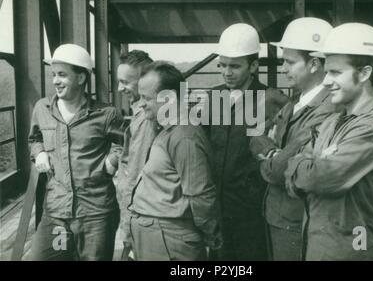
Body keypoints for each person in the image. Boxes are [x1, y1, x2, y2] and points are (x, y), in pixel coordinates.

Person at [284, 23, 373, 261]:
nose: (326, 81)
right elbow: (297, 179)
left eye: (336, 72)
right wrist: (308, 165)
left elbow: (321, 178)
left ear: (364, 73)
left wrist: (304, 163)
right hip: (320, 246)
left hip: (350, 251)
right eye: (326, 72)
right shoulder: (332, 122)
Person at [249, 17, 334, 260]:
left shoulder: (326, 110)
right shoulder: (297, 102)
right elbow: (256, 135)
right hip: (279, 214)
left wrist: (272, 155)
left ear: (314, 64)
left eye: (290, 62)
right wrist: (273, 151)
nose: (284, 67)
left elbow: (278, 171)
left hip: (298, 220)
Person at [29, 44, 124, 260]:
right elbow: (34, 138)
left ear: (81, 78)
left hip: (95, 216)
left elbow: (125, 142)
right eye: (53, 75)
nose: (55, 81)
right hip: (57, 215)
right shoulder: (42, 109)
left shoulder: (106, 114)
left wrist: (112, 161)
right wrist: (39, 151)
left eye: (62, 75)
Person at [209, 23, 288, 260]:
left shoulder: (274, 100)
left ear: (253, 65)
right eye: (222, 65)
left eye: (234, 66)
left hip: (253, 212)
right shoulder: (214, 97)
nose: (227, 72)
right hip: (218, 208)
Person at [128, 61, 222, 261]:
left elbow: (200, 194)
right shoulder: (167, 130)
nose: (141, 103)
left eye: (146, 98)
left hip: (168, 240)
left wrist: (211, 235)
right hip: (158, 236)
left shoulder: (184, 136)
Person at [115, 50, 156, 256]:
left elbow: (135, 179)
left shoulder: (145, 121)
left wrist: (128, 231)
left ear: (143, 82)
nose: (119, 88)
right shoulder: (146, 114)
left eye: (125, 82)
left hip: (140, 219)